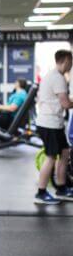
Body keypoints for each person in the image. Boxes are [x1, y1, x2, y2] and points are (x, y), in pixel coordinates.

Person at [34, 50, 73, 204]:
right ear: (65, 61)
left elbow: (62, 100)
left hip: (53, 123)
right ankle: (41, 193)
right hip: (49, 124)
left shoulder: (53, 76)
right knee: (51, 157)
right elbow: (65, 104)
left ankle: (61, 189)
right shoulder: (58, 78)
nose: (71, 65)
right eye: (71, 62)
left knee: (64, 153)